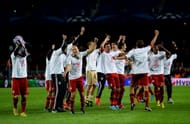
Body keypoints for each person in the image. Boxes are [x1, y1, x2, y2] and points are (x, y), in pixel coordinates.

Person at [118, 30, 159, 111]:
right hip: (144, 72)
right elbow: (152, 43)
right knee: (146, 88)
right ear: (143, 45)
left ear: (136, 45)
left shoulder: (133, 51)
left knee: (132, 87)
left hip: (135, 72)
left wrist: (117, 58)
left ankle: (132, 102)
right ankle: (147, 106)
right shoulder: (146, 49)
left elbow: (125, 57)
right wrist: (156, 35)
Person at [64, 41, 96, 114]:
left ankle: (82, 109)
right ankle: (72, 109)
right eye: (73, 49)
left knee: (82, 94)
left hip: (79, 78)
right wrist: (66, 72)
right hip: (72, 79)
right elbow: (68, 66)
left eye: (76, 49)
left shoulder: (81, 54)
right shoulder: (69, 58)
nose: (75, 50)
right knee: (73, 94)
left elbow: (91, 50)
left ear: (78, 49)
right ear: (72, 50)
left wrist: (95, 43)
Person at [11, 35, 30, 117]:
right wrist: (19, 44)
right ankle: (15, 108)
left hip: (24, 77)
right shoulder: (13, 55)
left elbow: (25, 52)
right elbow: (17, 52)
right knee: (16, 96)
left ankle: (23, 111)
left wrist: (23, 44)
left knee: (24, 96)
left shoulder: (24, 54)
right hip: (16, 77)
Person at [49, 40, 68, 113]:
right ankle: (54, 108)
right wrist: (64, 40)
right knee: (58, 91)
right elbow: (63, 47)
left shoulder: (62, 55)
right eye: (65, 49)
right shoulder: (56, 52)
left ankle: (59, 107)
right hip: (56, 74)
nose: (66, 50)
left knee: (63, 90)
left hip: (60, 74)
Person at [85, 37, 99, 107]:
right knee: (89, 85)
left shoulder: (96, 51)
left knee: (94, 85)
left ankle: (90, 99)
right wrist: (95, 42)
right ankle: (86, 99)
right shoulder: (87, 51)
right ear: (89, 46)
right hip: (89, 70)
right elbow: (93, 48)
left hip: (94, 70)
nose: (94, 45)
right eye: (92, 44)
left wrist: (105, 40)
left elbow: (101, 47)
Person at [44, 44, 56, 112]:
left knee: (51, 91)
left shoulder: (50, 58)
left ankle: (47, 106)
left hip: (49, 76)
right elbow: (49, 54)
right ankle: (49, 107)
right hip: (50, 77)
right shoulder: (49, 58)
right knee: (51, 91)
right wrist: (52, 49)